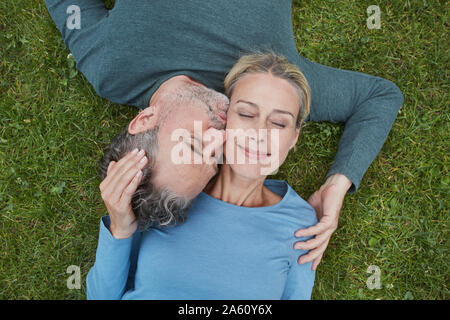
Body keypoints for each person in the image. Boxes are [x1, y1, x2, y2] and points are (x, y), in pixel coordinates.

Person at [45, 0, 404, 269]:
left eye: (194, 143)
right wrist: (337, 184)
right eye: (215, 159)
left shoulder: (111, 69)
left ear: (144, 121)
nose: (221, 137)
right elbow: (378, 97)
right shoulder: (263, 88)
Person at [87, 53, 317, 299]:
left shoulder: (300, 224)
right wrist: (121, 227)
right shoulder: (174, 189)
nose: (260, 133)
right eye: (247, 115)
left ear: (294, 137)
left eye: (280, 123)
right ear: (225, 119)